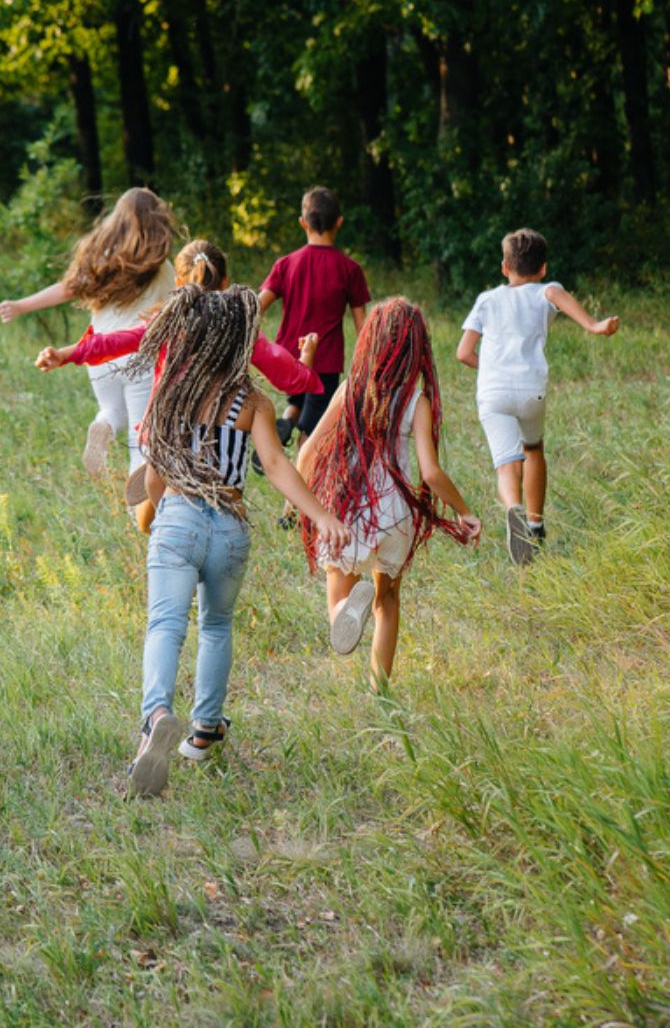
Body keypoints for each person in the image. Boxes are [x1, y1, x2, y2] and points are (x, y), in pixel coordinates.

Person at [121, 284, 351, 798]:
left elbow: (155, 478)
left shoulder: (171, 394)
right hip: (229, 527)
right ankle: (205, 728)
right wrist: (321, 515)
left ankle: (155, 717)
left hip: (178, 518)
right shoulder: (253, 402)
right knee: (217, 626)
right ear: (240, 341)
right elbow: (275, 465)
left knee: (165, 625)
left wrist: (155, 514)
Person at [33, 240, 321, 530]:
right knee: (219, 505)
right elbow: (283, 371)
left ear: (178, 282)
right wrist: (307, 361)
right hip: (220, 427)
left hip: (168, 427)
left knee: (153, 522)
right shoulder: (239, 326)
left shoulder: (170, 319)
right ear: (225, 281)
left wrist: (66, 354)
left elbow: (118, 340)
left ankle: (159, 508)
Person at [297, 299, 481, 687]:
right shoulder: (417, 401)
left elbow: (309, 451)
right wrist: (463, 511)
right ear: (417, 348)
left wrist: (296, 501)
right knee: (388, 602)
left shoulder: (350, 390)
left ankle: (346, 611)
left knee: (338, 582)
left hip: (351, 505)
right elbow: (430, 472)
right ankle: (380, 689)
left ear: (372, 341)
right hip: (396, 511)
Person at [455, 228, 619, 565]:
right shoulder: (548, 290)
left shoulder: (487, 299)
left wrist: (491, 369)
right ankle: (535, 524)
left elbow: (463, 352)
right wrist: (595, 326)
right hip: (531, 389)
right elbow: (572, 309)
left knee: (506, 464)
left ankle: (512, 507)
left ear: (504, 267)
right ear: (543, 268)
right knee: (533, 449)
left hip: (493, 391)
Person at [0, 188, 179, 476]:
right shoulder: (162, 268)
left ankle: (103, 426)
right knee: (140, 438)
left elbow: (68, 288)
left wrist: (21, 305)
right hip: (140, 356)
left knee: (112, 411)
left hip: (99, 354)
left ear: (116, 220)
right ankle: (140, 512)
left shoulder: (102, 258)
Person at [259, 186, 370, 445]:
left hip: (288, 358)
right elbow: (363, 325)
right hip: (325, 363)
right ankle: (305, 477)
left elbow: (257, 305)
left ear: (302, 222)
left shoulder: (285, 264)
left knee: (299, 399)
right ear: (339, 222)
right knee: (313, 433)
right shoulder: (349, 269)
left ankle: (288, 418)